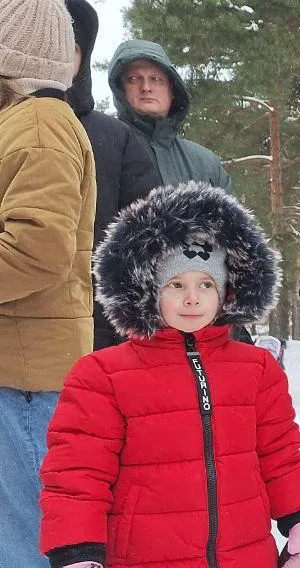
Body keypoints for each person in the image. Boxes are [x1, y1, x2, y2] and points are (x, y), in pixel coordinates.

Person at [39, 183, 300, 568]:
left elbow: (279, 451)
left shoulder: (256, 369)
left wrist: (299, 513)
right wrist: (74, 563)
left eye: (206, 283)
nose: (192, 298)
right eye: (175, 283)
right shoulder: (102, 375)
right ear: (146, 289)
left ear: (229, 291)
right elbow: (75, 477)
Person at [0, 2, 99, 568]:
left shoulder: (37, 122)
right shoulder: (21, 122)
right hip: (13, 360)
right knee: (7, 521)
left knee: (35, 523)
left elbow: (39, 246)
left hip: (32, 370)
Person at [64, 0, 162, 350]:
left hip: (98, 331)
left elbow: (146, 240)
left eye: (71, 47)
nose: (59, 57)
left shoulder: (117, 139)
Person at [107, 40, 231, 190]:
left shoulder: (206, 164)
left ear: (172, 89)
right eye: (134, 79)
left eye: (156, 79)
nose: (146, 87)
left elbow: (232, 213)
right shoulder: (102, 152)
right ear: (120, 89)